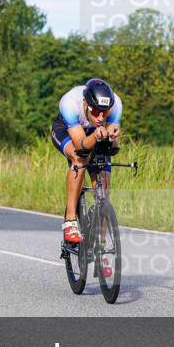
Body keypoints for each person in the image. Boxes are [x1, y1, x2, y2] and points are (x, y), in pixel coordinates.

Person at [50, 78, 122, 243]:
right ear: (85, 105)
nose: (101, 117)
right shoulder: (69, 103)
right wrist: (96, 136)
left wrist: (113, 136)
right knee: (80, 159)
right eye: (96, 112)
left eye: (105, 112)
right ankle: (70, 220)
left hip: (94, 133)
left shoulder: (116, 104)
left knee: (104, 179)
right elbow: (81, 145)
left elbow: (112, 148)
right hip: (68, 131)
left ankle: (101, 245)